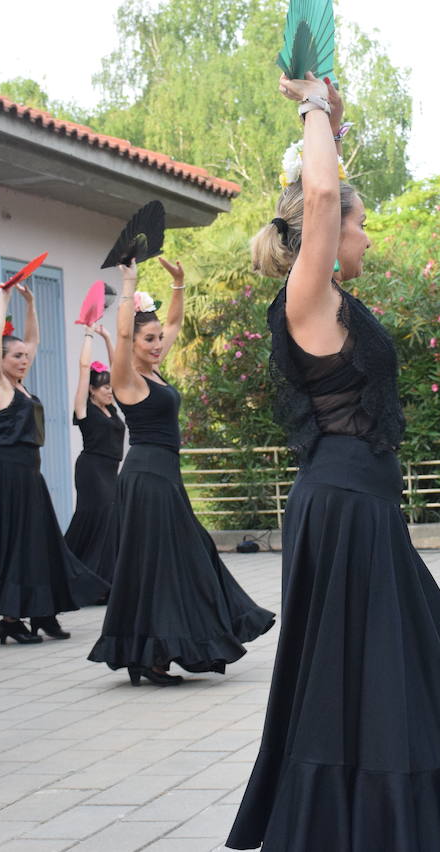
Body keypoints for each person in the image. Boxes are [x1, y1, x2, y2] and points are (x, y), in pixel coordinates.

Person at [227, 74, 440, 852]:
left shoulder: (335, 303)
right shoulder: (304, 298)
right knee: (374, 673)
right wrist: (312, 103)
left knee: (413, 664)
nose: (368, 236)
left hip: (361, 508)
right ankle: (355, 824)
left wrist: (333, 123)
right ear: (329, 232)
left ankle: (396, 822)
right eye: (362, 223)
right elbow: (321, 199)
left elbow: (326, 188)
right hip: (343, 510)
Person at [88, 256, 273, 686]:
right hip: (147, 478)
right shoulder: (127, 379)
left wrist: (179, 285)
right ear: (131, 343)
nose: (157, 344)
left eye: (157, 339)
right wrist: (129, 282)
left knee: (173, 560)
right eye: (148, 339)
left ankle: (151, 653)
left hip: (164, 477)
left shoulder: (154, 371)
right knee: (163, 563)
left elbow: (173, 323)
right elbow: (121, 331)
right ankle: (152, 655)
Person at [0, 283, 106, 644]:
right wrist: (3, 299)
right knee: (15, 543)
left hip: (30, 474)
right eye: (16, 355)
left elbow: (33, 340)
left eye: (25, 356)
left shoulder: (20, 386)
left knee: (41, 542)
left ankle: (43, 612)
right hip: (8, 473)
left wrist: (31, 303)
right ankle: (10, 617)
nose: (24, 359)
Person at [63, 322, 124, 592]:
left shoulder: (114, 409)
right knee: (101, 514)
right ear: (91, 390)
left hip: (111, 469)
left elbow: (121, 369)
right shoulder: (85, 409)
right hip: (91, 469)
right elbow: (83, 369)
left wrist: (109, 337)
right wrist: (88, 335)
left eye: (110, 387)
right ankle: (79, 574)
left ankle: (100, 579)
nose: (109, 391)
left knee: (111, 519)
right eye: (103, 387)